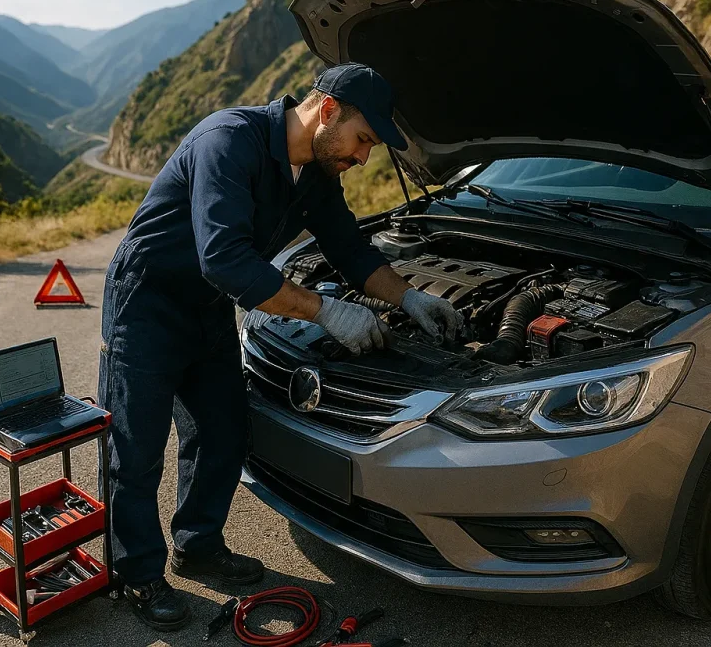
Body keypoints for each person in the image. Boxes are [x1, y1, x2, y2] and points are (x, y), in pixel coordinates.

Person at [98, 62, 463, 631]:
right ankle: (136, 575)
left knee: (220, 428)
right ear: (329, 110)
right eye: (364, 140)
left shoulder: (316, 171)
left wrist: (410, 299)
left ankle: (197, 545)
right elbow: (223, 257)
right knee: (136, 448)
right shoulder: (228, 141)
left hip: (208, 305)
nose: (363, 156)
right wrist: (325, 310)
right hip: (147, 301)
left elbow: (349, 248)